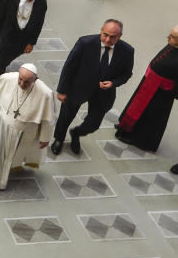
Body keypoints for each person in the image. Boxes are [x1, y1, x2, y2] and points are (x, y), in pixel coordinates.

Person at [51, 20, 134, 156]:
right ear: (101, 30)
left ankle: (76, 133)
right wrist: (62, 90)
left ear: (120, 36)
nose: (107, 39)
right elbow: (69, 67)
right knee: (66, 117)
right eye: (105, 34)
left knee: (93, 124)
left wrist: (113, 83)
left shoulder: (127, 51)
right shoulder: (85, 43)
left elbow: (126, 74)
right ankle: (59, 139)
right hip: (78, 88)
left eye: (112, 37)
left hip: (103, 94)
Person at [0, 64, 56, 191]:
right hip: (4, 126)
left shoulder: (45, 93)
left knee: (15, 155)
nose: (22, 84)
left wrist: (45, 137)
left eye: (26, 82)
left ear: (35, 79)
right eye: (20, 80)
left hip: (25, 131)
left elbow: (48, 119)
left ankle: (2, 173)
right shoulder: (8, 79)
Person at [115, 25, 178, 152]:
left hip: (160, 93)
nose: (168, 37)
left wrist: (170, 91)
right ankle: (125, 126)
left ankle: (138, 139)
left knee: (149, 117)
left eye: (172, 36)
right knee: (135, 105)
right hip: (149, 83)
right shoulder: (175, 43)